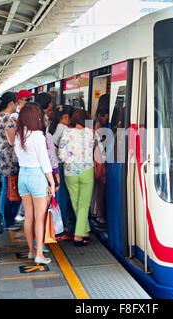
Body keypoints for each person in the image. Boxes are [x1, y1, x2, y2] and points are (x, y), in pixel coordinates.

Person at [14, 103, 55, 264]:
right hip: (36, 175)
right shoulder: (38, 135)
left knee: (28, 217)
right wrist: (51, 182)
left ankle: (31, 250)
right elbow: (45, 163)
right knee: (40, 217)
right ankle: (39, 253)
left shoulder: (19, 134)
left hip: (22, 175)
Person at [58, 109, 95, 246]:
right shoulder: (90, 133)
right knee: (84, 203)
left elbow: (61, 155)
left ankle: (84, 231)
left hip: (70, 171)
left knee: (76, 202)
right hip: (86, 171)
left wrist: (71, 159)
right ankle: (79, 235)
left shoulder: (67, 132)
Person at [0, 92, 21, 230]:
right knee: (8, 189)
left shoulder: (0, 117)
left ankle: (6, 220)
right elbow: (12, 141)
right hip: (8, 161)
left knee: (7, 188)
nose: (17, 105)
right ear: (11, 103)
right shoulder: (7, 119)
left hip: (2, 160)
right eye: (16, 103)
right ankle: (6, 221)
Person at [48, 104, 75, 240]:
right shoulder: (65, 129)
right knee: (62, 199)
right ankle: (61, 230)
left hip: (52, 167)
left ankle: (56, 228)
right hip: (60, 167)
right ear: (65, 117)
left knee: (56, 198)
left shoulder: (52, 127)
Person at [92, 95, 110, 229]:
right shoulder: (98, 124)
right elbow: (98, 142)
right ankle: (98, 214)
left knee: (99, 189)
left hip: (98, 159)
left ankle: (96, 212)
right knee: (100, 188)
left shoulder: (96, 122)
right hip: (99, 160)